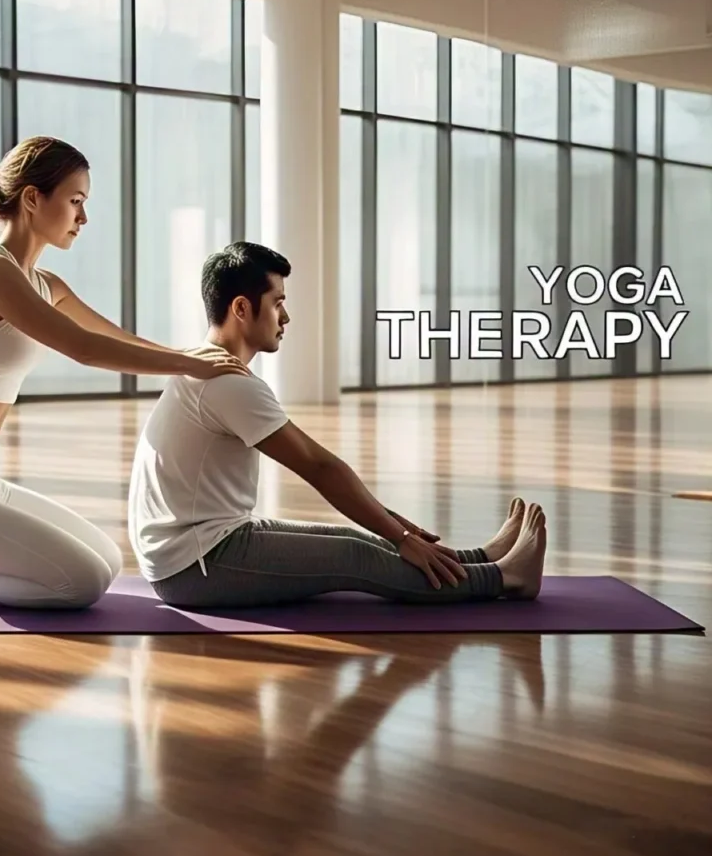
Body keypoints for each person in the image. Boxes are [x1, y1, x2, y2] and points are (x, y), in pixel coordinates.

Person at [0, 136, 248, 608]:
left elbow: (114, 336)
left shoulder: (42, 283)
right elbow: (83, 348)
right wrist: (188, 364)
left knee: (107, 560)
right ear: (33, 198)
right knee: (79, 582)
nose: (83, 218)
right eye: (75, 202)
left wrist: (187, 355)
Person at [128, 241, 548, 609]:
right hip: (194, 565)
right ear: (242, 308)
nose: (285, 316)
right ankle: (505, 579)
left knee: (358, 538)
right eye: (277, 302)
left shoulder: (205, 366)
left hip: (196, 546)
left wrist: (397, 528)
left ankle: (478, 558)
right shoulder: (226, 383)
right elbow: (320, 468)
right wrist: (401, 537)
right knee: (356, 558)